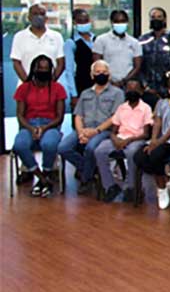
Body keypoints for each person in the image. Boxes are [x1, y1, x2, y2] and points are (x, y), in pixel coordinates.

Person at [58, 60, 124, 192]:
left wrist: (96, 131)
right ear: (92, 75)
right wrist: (81, 132)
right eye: (98, 72)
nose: (101, 74)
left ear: (109, 75)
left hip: (104, 131)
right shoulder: (85, 93)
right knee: (63, 148)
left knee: (90, 147)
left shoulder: (117, 93)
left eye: (104, 72)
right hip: (84, 129)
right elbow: (78, 115)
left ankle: (86, 179)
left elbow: (114, 117)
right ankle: (90, 169)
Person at [134, 69, 170, 210]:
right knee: (139, 157)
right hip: (159, 139)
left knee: (156, 154)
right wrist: (153, 140)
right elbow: (157, 122)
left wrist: (160, 142)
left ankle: (161, 188)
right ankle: (163, 181)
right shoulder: (161, 103)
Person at [12, 55, 66, 197]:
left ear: (51, 70)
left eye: (46, 68)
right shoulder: (24, 88)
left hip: (50, 125)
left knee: (49, 144)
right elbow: (20, 115)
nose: (43, 71)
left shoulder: (58, 88)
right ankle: (42, 177)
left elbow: (59, 117)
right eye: (40, 68)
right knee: (19, 145)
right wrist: (32, 129)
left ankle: (45, 175)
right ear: (33, 69)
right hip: (28, 125)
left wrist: (44, 128)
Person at [94, 78, 153, 202]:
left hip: (136, 139)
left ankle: (130, 187)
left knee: (132, 153)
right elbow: (114, 130)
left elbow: (146, 134)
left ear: (141, 91)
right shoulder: (121, 107)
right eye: (129, 89)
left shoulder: (146, 108)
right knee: (99, 151)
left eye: (135, 89)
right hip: (120, 138)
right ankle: (110, 186)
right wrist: (115, 139)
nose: (131, 91)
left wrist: (128, 140)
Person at [10, 3, 64, 84]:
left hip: (51, 88)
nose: (39, 17)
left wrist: (51, 82)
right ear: (29, 17)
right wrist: (28, 84)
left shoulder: (57, 36)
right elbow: (16, 63)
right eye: (35, 14)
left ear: (46, 18)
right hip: (26, 88)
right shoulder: (19, 37)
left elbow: (61, 63)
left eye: (42, 14)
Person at [93, 10, 142, 86]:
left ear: (127, 22)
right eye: (117, 22)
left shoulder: (134, 42)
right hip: (107, 83)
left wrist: (125, 81)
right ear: (112, 22)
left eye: (123, 21)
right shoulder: (101, 40)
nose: (120, 24)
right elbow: (97, 64)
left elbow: (137, 66)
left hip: (128, 85)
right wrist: (110, 81)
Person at [139, 6, 170, 109]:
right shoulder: (142, 40)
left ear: (165, 19)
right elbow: (138, 65)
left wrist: (169, 86)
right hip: (147, 90)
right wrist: (145, 86)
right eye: (153, 17)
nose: (156, 19)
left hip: (168, 89)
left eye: (159, 17)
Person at [59, 9, 95, 107]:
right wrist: (74, 95)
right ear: (74, 22)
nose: (84, 23)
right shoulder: (71, 43)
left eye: (86, 20)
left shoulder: (97, 39)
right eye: (80, 21)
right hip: (81, 84)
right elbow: (69, 71)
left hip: (98, 83)